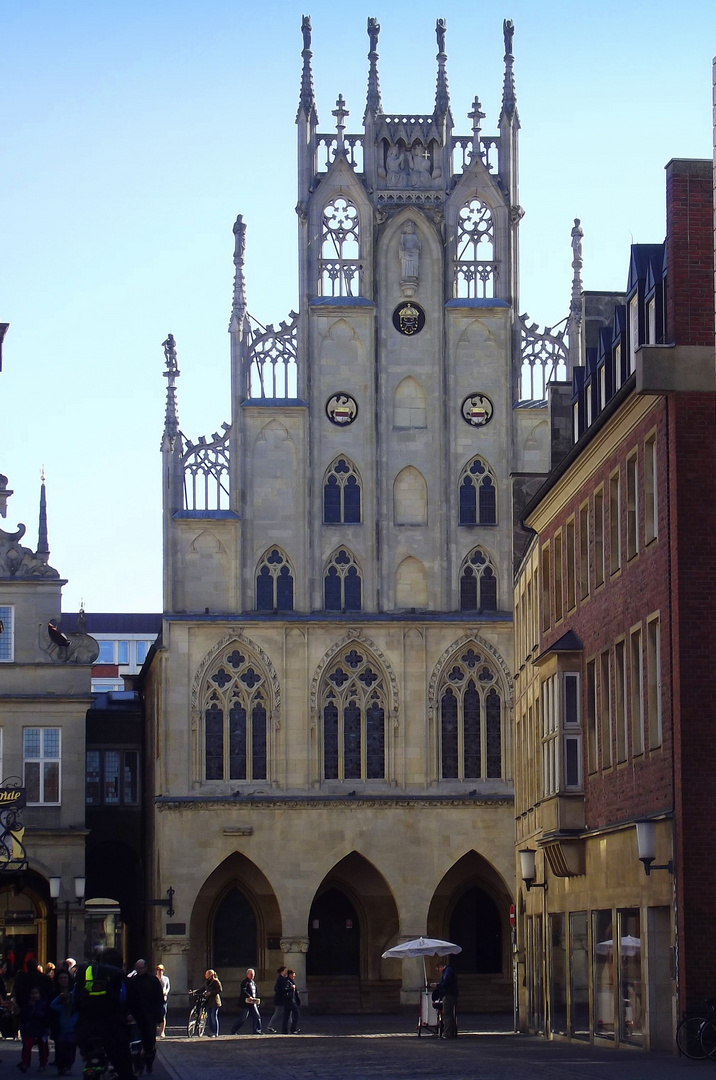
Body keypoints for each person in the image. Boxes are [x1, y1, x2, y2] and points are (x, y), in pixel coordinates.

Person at [73, 948, 133, 1080]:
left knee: (89, 1057)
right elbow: (124, 999)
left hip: (85, 1029)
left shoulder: (83, 972)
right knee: (124, 1067)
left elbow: (75, 1000)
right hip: (113, 1029)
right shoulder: (119, 976)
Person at [126, 960, 163, 1072]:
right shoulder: (132, 981)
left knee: (149, 1043)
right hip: (136, 1017)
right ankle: (138, 1066)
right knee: (136, 1043)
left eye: (141, 968)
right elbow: (128, 999)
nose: (139, 970)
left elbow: (159, 999)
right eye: (137, 968)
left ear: (145, 968)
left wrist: (157, 1015)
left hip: (149, 1017)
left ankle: (149, 1062)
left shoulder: (153, 981)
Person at [49, 970, 77, 1077]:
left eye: (65, 978)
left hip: (72, 1027)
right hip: (58, 1025)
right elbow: (51, 1006)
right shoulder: (54, 992)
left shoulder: (73, 991)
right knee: (60, 1047)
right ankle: (61, 1066)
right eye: (61, 978)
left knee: (70, 1047)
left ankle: (68, 1066)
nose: (63, 980)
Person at [17, 986, 50, 1072]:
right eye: (33, 994)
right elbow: (24, 1016)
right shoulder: (28, 1004)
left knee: (42, 1047)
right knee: (27, 1045)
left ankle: (43, 1063)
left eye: (36, 993)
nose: (34, 995)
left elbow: (43, 1015)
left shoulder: (43, 1004)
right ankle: (25, 1063)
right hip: (30, 1028)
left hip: (40, 1027)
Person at [231, 968, 261, 1035]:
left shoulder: (253, 983)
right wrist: (249, 996)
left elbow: (255, 992)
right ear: (247, 974)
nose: (252, 976)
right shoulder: (245, 982)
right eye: (251, 974)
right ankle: (234, 1030)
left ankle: (257, 1030)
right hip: (246, 1003)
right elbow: (243, 990)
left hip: (253, 1003)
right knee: (243, 1017)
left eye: (253, 974)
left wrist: (255, 1000)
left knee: (257, 1016)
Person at [433, 960, 458, 1038]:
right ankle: (452, 1031)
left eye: (438, 970)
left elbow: (446, 983)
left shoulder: (448, 971)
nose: (439, 972)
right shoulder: (449, 971)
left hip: (448, 995)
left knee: (446, 1014)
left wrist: (438, 985)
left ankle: (447, 1033)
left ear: (441, 967)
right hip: (451, 994)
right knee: (450, 1014)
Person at [266, 966, 290, 1033]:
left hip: (282, 999)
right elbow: (278, 989)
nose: (286, 972)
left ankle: (290, 1026)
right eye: (285, 971)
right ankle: (270, 1026)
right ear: (282, 971)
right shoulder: (280, 979)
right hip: (280, 1000)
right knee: (278, 1013)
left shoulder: (283, 979)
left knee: (287, 1013)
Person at [203, 970, 222, 1038]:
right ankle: (211, 1031)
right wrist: (193, 992)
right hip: (208, 1002)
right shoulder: (206, 982)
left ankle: (215, 1032)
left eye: (206, 974)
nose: (205, 975)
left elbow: (219, 990)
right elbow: (202, 988)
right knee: (210, 1017)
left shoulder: (215, 981)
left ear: (210, 975)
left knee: (213, 1016)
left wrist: (210, 993)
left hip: (214, 1002)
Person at [282, 970, 300, 1035]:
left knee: (286, 1016)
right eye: (293, 975)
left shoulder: (289, 981)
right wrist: (291, 988)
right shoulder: (287, 981)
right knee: (296, 1014)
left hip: (289, 1001)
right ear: (290, 975)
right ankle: (293, 1028)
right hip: (290, 1001)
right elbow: (285, 989)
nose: (294, 976)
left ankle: (285, 1030)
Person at [155, 965, 170, 1038]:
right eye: (158, 970)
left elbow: (168, 987)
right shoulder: (154, 979)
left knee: (163, 1015)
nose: (159, 971)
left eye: (161, 970)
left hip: (163, 999)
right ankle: (154, 1031)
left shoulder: (166, 979)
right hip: (155, 999)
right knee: (154, 1015)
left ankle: (162, 1031)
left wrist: (166, 992)